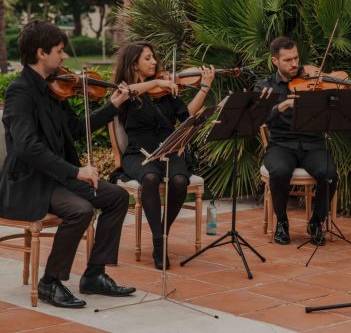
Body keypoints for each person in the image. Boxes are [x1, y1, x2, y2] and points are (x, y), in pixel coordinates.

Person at [0, 21, 136, 308]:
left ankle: (94, 275)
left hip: (57, 178)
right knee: (80, 209)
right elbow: (27, 147)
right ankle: (50, 282)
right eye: (59, 51)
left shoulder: (54, 89)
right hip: (29, 183)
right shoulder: (19, 92)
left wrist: (113, 106)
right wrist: (76, 171)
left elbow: (76, 129)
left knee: (117, 197)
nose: (64, 58)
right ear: (41, 53)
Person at [113, 41, 215, 269]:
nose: (154, 62)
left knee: (179, 180)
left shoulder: (167, 93)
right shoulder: (126, 90)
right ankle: (159, 242)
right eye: (147, 58)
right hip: (138, 154)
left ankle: (162, 233)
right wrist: (157, 81)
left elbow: (186, 115)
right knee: (149, 178)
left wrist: (204, 88)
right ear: (134, 64)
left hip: (167, 151)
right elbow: (128, 91)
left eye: (153, 57)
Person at [254, 36, 338, 245]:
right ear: (275, 61)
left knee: (329, 174)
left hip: (313, 144)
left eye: (296, 58)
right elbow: (257, 118)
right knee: (280, 171)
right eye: (288, 60)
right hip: (281, 144)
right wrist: (280, 106)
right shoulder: (265, 86)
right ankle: (282, 222)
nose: (294, 64)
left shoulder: (312, 81)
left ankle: (316, 222)